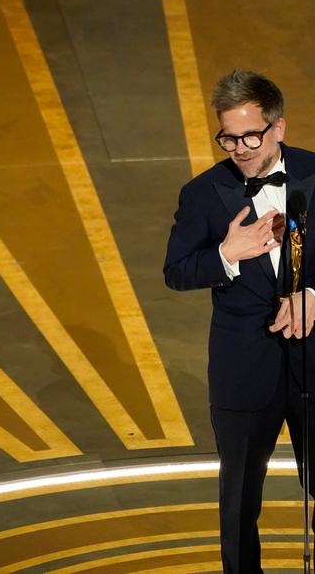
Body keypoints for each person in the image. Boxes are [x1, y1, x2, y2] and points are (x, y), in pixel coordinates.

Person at [164, 70, 315, 573]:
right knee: (239, 503)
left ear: (279, 128)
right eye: (228, 137)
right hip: (243, 368)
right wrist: (226, 255)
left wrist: (313, 295)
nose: (240, 149)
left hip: (314, 359)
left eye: (251, 136)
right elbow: (177, 271)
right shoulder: (203, 193)